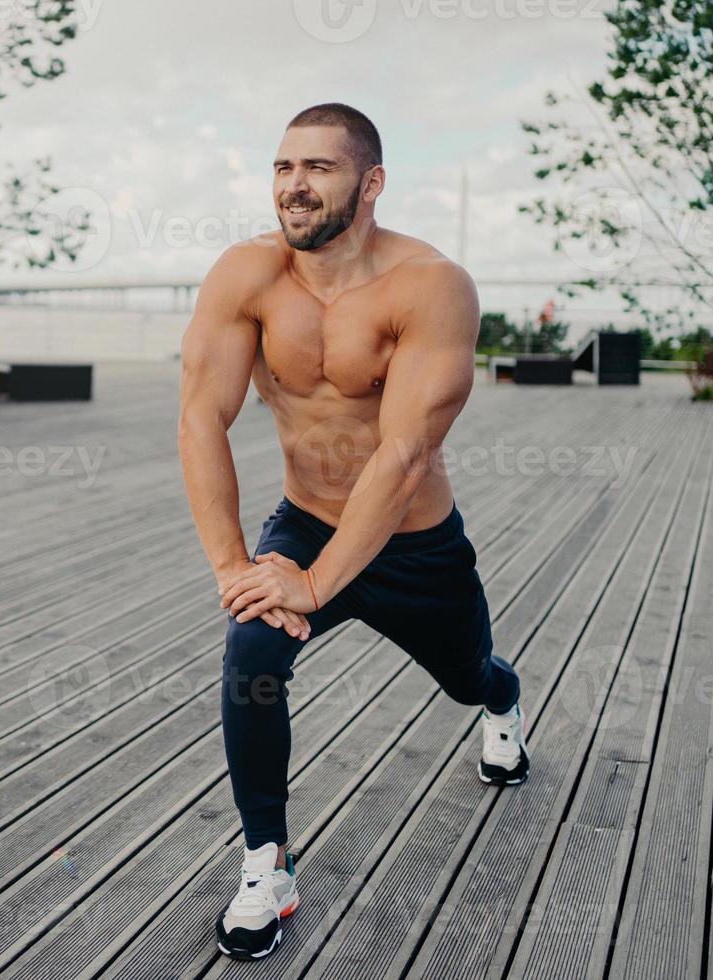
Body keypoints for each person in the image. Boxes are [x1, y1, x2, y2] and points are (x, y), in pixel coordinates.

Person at [177, 102, 529, 962]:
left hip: (414, 545)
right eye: (282, 167)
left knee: (467, 675)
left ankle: (504, 703)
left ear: (369, 183)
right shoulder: (246, 275)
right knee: (251, 656)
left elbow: (404, 452)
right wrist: (235, 565)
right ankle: (268, 861)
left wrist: (315, 583)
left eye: (318, 168)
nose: (294, 185)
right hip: (302, 521)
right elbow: (199, 416)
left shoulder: (431, 286)